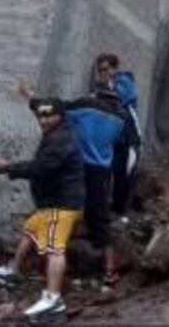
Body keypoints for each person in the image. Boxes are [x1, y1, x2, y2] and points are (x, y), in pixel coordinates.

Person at [0, 98, 85, 322]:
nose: (42, 120)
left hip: (61, 205)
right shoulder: (56, 130)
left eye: (48, 116)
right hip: (51, 203)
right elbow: (40, 107)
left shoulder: (61, 140)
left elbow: (41, 168)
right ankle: (13, 272)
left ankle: (53, 300)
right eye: (40, 116)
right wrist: (29, 97)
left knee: (55, 249)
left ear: (59, 116)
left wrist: (8, 168)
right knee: (30, 230)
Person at [66, 89, 126, 287]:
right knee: (100, 217)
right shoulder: (119, 121)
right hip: (101, 171)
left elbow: (62, 111)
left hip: (80, 167)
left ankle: (56, 260)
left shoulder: (85, 110)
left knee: (64, 208)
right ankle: (109, 270)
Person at [93, 53, 142, 219]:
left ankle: (122, 213)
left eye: (106, 69)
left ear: (114, 68)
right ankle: (110, 209)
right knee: (110, 172)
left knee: (126, 173)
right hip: (113, 137)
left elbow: (121, 98)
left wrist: (106, 87)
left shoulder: (124, 81)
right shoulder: (104, 86)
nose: (103, 73)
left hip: (129, 137)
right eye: (100, 70)